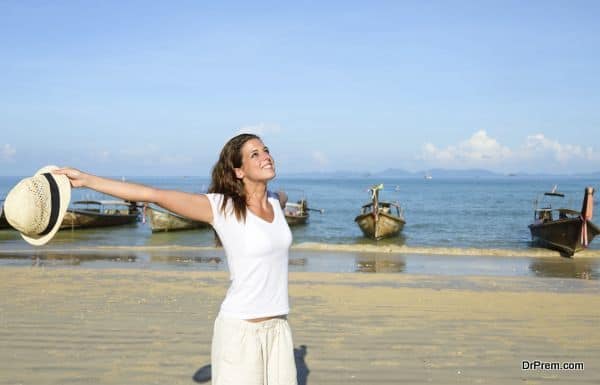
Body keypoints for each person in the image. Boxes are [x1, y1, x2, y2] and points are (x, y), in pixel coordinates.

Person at [54, 133, 298, 385]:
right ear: (238, 171)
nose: (266, 156)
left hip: (279, 328)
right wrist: (87, 180)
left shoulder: (274, 202)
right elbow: (153, 194)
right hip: (241, 331)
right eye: (254, 154)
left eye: (266, 150)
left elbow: (282, 197)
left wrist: (277, 196)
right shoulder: (221, 207)